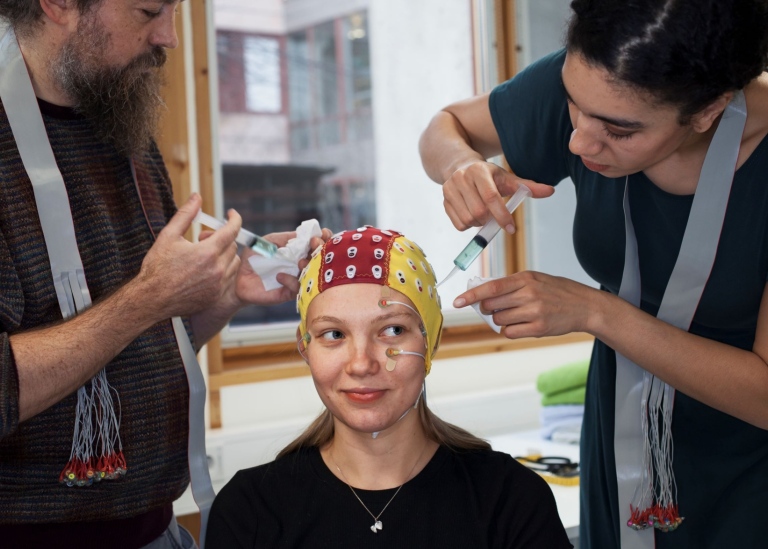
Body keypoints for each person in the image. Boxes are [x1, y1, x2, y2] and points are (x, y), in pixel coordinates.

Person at [418, 0, 768, 547]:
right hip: (621, 443)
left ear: (708, 110)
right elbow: (448, 126)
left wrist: (593, 311)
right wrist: (459, 166)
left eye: (619, 131)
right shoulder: (601, 86)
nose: (579, 142)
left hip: (746, 470)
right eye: (574, 105)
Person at [0, 1, 327, 547]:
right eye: (148, 11)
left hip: (157, 530)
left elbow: (130, 345)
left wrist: (223, 294)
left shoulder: (119, 124)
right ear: (57, 5)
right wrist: (151, 297)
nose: (170, 37)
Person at [205, 226, 573, 548]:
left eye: (392, 330)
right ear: (306, 348)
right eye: (334, 334)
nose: (362, 364)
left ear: (430, 342)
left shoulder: (509, 501)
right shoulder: (249, 512)